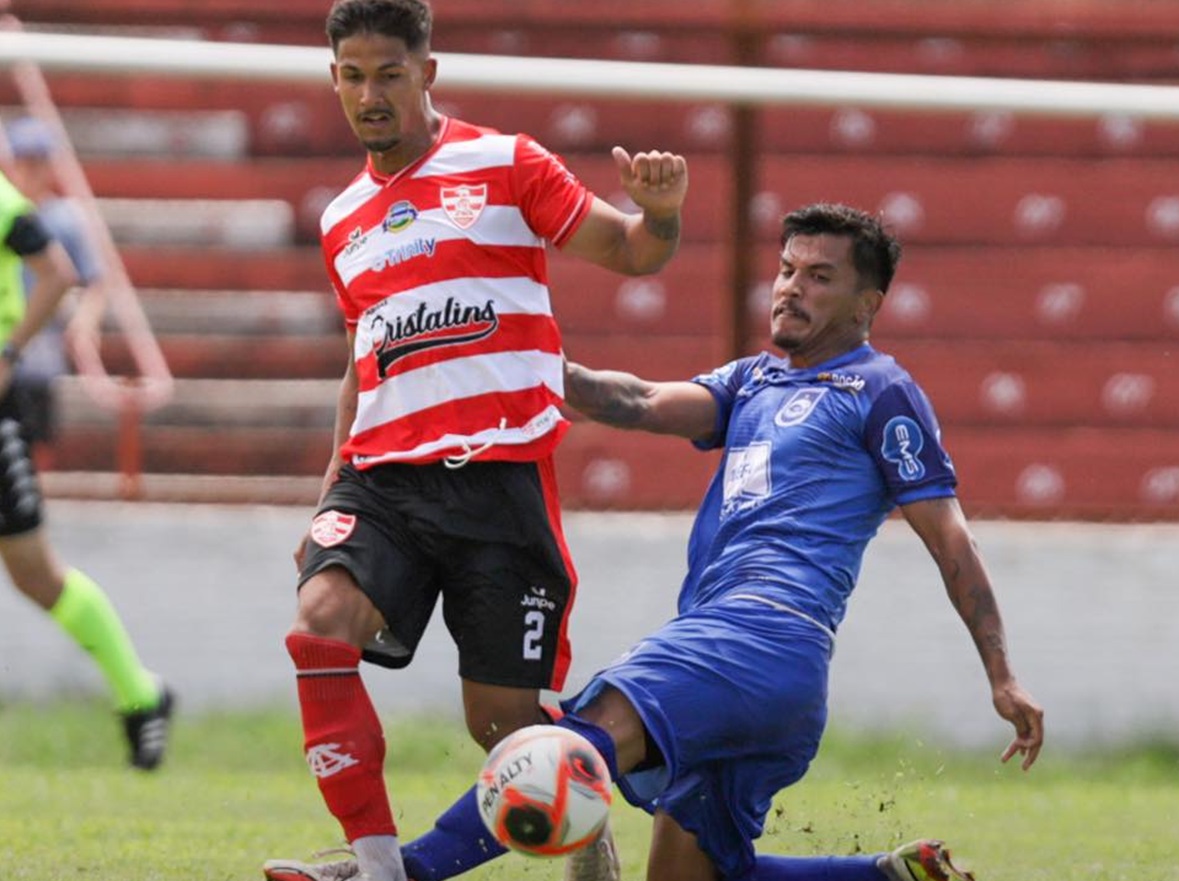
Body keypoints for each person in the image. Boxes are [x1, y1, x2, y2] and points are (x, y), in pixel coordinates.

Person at [269, 203, 1045, 881]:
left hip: (760, 634)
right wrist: (514, 356)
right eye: (786, 269)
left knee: (575, 742)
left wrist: (1002, 675)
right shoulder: (754, 382)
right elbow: (633, 400)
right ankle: (889, 875)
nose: (790, 288)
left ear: (867, 301)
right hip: (764, 673)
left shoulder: (881, 389)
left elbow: (951, 539)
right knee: (693, 874)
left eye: (820, 277)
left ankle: (402, 870)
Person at [263, 1, 688, 880]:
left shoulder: (505, 164)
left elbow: (633, 252)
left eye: (388, 73)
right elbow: (363, 359)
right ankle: (381, 865)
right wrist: (326, 494)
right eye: (352, 75)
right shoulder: (342, 216)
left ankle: (586, 817)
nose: (370, 94)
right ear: (333, 80)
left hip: (499, 481)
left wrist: (662, 216)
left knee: (503, 725)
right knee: (320, 625)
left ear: (428, 73)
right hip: (383, 481)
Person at [0, 162, 173, 770]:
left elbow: (59, 274)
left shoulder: (6, 204)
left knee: (35, 575)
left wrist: (8, 352)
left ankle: (140, 694)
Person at [4, 115, 104, 471]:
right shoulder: (10, 208)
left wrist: (84, 320)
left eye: (40, 160)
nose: (32, 170)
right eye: (25, 160)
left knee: (27, 444)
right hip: (12, 343)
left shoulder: (63, 217)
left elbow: (86, 278)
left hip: (33, 348)